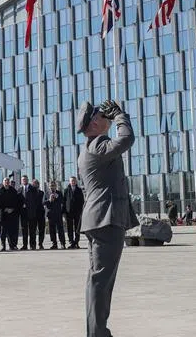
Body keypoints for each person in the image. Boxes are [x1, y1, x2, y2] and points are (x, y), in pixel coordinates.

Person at [77, 100, 138, 337]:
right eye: (104, 116)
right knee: (101, 280)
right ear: (94, 122)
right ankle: (97, 332)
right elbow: (126, 140)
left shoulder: (88, 148)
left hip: (99, 219)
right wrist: (122, 116)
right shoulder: (98, 145)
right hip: (106, 219)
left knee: (98, 280)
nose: (108, 119)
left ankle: (97, 331)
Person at [0, 177, 21, 251]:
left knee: (12, 231)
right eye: (5, 181)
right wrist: (5, 209)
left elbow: (17, 202)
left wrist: (12, 209)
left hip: (12, 213)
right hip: (3, 214)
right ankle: (3, 246)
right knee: (3, 232)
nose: (7, 182)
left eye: (8, 181)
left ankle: (12, 245)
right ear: (3, 182)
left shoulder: (13, 190)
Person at [64, 176, 84, 249]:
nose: (73, 182)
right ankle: (71, 242)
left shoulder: (79, 190)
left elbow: (82, 201)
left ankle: (76, 242)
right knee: (69, 228)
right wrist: (64, 212)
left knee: (77, 228)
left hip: (77, 212)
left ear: (76, 182)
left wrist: (81, 210)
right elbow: (64, 201)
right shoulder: (66, 190)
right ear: (69, 182)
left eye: (74, 180)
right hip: (69, 212)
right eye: (72, 181)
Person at [45, 180, 65, 250]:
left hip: (58, 214)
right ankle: (54, 244)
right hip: (50, 215)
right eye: (50, 186)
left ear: (55, 186)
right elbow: (44, 203)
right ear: (49, 186)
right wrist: (49, 200)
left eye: (53, 186)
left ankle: (63, 243)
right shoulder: (47, 193)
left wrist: (57, 197)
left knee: (60, 230)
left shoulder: (59, 193)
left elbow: (62, 201)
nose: (52, 187)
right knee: (52, 230)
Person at [27, 179, 46, 250]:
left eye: (37, 183)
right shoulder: (29, 192)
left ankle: (40, 244)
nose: (36, 185)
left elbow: (43, 202)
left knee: (41, 229)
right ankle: (32, 245)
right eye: (34, 183)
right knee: (32, 230)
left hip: (40, 213)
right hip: (33, 214)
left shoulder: (42, 193)